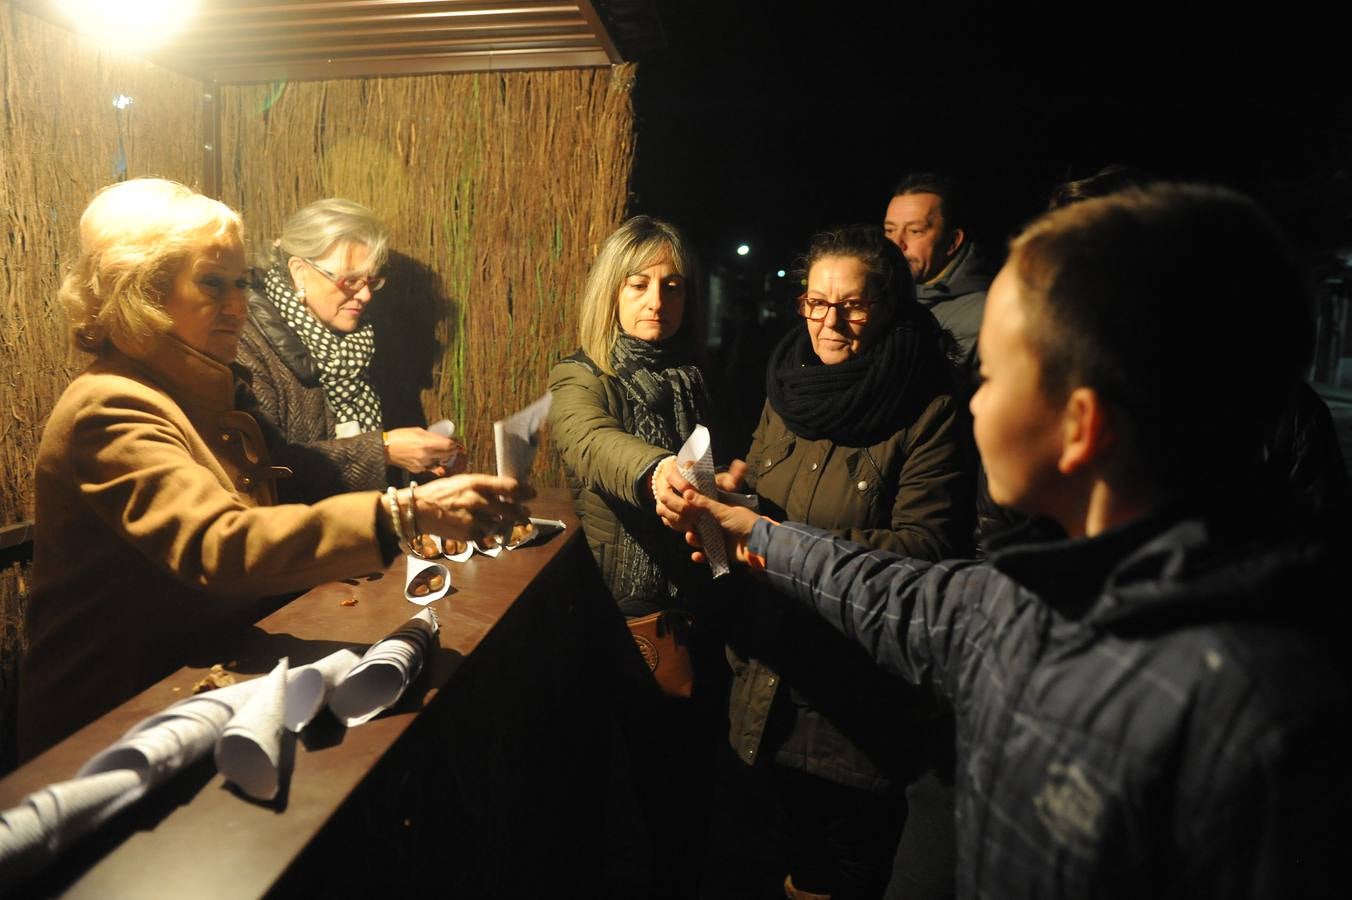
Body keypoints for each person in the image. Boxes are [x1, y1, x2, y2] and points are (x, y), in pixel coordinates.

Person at [664, 184, 1351, 898]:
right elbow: (878, 589)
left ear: (1081, 427)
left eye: (994, 373)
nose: (976, 399)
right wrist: (751, 527)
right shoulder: (1024, 600)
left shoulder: (1252, 723)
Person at [18, 179, 528, 760]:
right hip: (112, 723)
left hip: (198, 690)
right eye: (212, 283)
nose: (238, 305)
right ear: (142, 289)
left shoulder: (206, 392)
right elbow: (219, 545)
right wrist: (403, 512)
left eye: (240, 283)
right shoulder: (112, 406)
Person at [696, 226, 971, 898]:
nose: (830, 321)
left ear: (888, 303)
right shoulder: (788, 385)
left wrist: (773, 535)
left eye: (852, 304)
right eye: (816, 302)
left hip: (858, 695)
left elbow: (926, 550)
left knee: (856, 864)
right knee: (794, 853)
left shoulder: (929, 406)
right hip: (773, 675)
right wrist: (731, 497)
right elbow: (763, 487)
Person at [546, 215, 722, 898]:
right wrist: (657, 471)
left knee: (688, 785)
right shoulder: (582, 374)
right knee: (644, 783)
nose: (657, 301)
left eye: (673, 287)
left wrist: (734, 480)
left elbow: (724, 463)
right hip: (633, 615)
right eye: (639, 284)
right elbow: (589, 441)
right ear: (610, 292)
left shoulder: (697, 373)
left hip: (708, 599)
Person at [235, 198, 458, 503]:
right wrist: (383, 451)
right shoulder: (246, 345)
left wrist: (419, 467)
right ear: (300, 272)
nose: (365, 295)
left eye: (371, 281)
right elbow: (264, 470)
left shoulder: (360, 342)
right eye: (350, 280)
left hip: (361, 528)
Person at [882, 173, 991, 371]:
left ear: (952, 242)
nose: (897, 244)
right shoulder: (887, 295)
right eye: (890, 231)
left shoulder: (979, 316)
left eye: (915, 231)